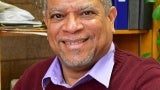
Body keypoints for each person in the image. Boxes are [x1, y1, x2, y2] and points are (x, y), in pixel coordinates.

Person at [13, 0, 160, 90]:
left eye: (86, 13)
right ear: (47, 23)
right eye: (58, 16)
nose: (71, 27)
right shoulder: (31, 79)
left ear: (111, 18)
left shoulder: (147, 80)